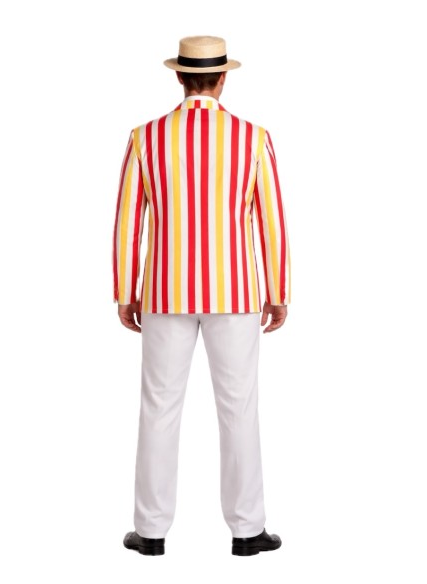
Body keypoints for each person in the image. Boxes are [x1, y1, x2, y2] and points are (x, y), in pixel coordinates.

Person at [112, 35, 291, 556]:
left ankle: (150, 532)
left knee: (158, 406)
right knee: (239, 407)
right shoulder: (252, 138)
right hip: (235, 291)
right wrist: (277, 289)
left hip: (164, 290)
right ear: (223, 78)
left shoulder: (145, 138)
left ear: (179, 76)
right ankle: (247, 531)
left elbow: (128, 223)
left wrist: (126, 290)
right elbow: (271, 221)